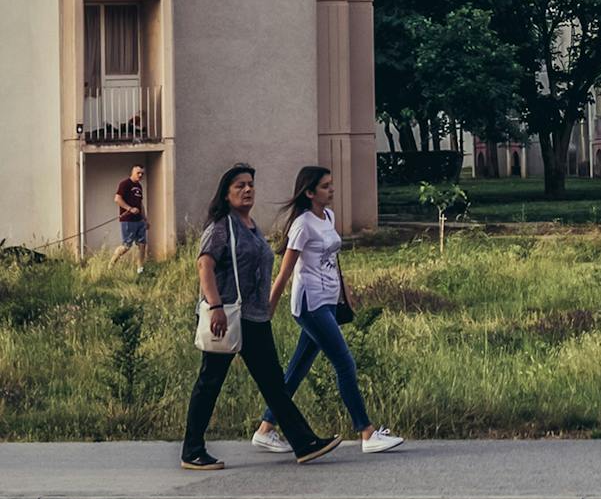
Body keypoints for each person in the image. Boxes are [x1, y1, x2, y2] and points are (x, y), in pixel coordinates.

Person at [180, 164, 338, 471]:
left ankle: (303, 443)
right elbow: (205, 267)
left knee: (273, 384)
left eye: (250, 184)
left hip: (255, 318)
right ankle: (192, 451)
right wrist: (214, 306)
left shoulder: (251, 225)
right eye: (239, 186)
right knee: (209, 382)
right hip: (226, 317)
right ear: (226, 194)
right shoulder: (221, 227)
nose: (247, 190)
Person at [253, 166, 403, 456]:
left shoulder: (329, 217)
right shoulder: (302, 225)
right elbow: (285, 273)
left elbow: (333, 260)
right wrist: (266, 311)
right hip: (310, 304)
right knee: (345, 363)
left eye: (331, 185)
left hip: (329, 301)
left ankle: (266, 428)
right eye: (325, 186)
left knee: (298, 368)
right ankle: (367, 432)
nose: (331, 190)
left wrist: (345, 294)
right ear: (309, 193)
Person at [113, 165, 148, 274]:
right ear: (132, 172)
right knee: (126, 246)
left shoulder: (139, 186)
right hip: (128, 220)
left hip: (139, 221)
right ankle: (112, 264)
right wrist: (129, 208)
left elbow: (140, 204)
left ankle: (140, 269)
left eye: (142, 173)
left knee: (142, 244)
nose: (140, 175)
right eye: (138, 173)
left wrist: (145, 219)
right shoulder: (125, 184)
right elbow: (117, 199)